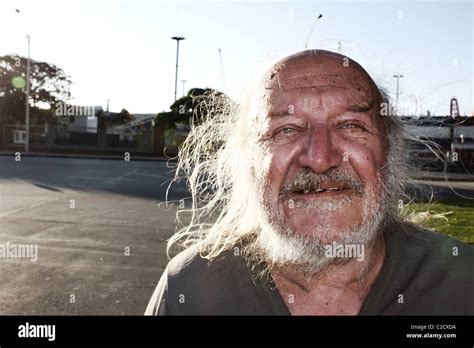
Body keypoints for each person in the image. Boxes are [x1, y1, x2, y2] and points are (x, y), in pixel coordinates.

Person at [145, 49, 474, 315]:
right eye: (286, 130)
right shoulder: (189, 286)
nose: (319, 158)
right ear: (246, 160)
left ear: (391, 151)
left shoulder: (464, 282)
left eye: (350, 126)